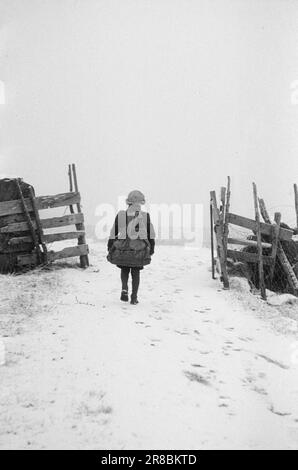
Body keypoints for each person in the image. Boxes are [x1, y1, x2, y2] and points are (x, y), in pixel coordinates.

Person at [107, 190, 155, 305]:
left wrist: (110, 246)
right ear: (140, 203)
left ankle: (124, 288)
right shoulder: (145, 216)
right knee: (135, 272)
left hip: (122, 249)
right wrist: (152, 248)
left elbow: (113, 232)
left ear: (128, 203)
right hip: (138, 250)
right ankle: (134, 297)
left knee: (124, 269)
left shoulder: (121, 215)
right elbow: (151, 234)